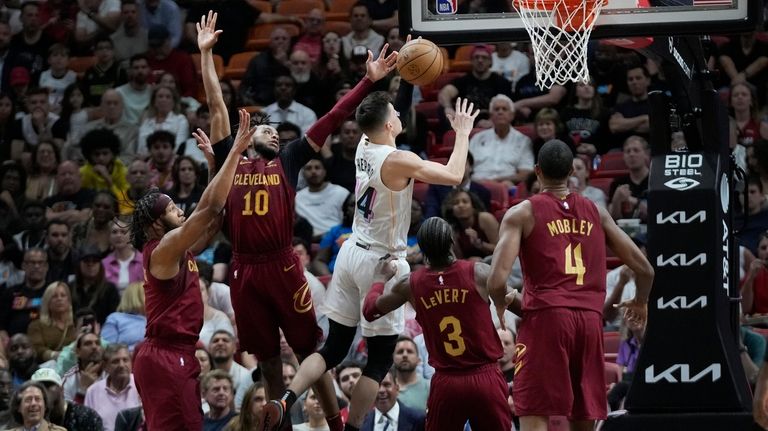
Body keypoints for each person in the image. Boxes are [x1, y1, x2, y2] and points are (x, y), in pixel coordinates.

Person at [199, 12, 395, 431]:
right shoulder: (228, 164)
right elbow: (216, 105)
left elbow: (331, 118)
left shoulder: (288, 161)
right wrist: (206, 55)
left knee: (311, 352)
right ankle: (279, 424)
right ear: (247, 137)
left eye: (280, 134)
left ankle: (333, 423)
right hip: (244, 268)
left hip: (283, 264)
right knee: (268, 359)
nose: (276, 135)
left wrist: (369, 82)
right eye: (267, 131)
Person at [262, 90, 479, 431]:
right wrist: (463, 132)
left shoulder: (364, 141)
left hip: (350, 252)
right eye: (394, 113)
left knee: (333, 346)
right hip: (382, 261)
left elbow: (387, 114)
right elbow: (453, 176)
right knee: (378, 362)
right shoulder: (398, 159)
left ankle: (285, 399)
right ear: (389, 124)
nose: (397, 115)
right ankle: (352, 428)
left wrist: (404, 80)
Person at [487, 139, 654, 431]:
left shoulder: (522, 213)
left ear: (537, 171)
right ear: (571, 173)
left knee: (535, 411)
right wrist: (640, 301)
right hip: (589, 321)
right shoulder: (596, 211)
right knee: (582, 415)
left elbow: (496, 282)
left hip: (547, 318)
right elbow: (645, 269)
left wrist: (520, 307)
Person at [128, 106, 256, 431]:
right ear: (157, 224)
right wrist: (234, 154)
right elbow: (209, 206)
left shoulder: (177, 248)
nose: (180, 210)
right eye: (172, 208)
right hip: (166, 354)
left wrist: (213, 166)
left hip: (174, 353)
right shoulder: (163, 249)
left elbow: (211, 221)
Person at [361, 216, 513, 430]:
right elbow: (522, 307)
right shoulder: (479, 272)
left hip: (447, 382)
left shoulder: (410, 284)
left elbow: (370, 311)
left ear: (421, 250)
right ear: (451, 242)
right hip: (485, 376)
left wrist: (379, 279)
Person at [84, 343, 141, 431]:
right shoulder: (92, 391)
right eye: (115, 361)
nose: (121, 365)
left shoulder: (141, 385)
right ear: (105, 366)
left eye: (125, 360)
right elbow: (88, 426)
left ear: (131, 362)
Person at [31, 367, 103, 431]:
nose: (43, 391)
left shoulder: (85, 416)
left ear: (61, 389)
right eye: (38, 387)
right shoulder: (31, 420)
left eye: (48, 386)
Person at [358, 369, 425, 431]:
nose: (381, 390)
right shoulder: (360, 424)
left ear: (397, 388)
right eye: (377, 386)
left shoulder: (418, 419)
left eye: (386, 384)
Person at [26, 281, 76, 363]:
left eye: (63, 295)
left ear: (68, 301)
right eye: (54, 296)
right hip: (48, 369)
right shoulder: (36, 325)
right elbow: (37, 349)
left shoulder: (76, 324)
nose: (59, 299)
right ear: (47, 302)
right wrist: (55, 355)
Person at [101, 282, 146, 352]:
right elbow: (107, 348)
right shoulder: (116, 318)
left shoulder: (156, 319)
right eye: (148, 294)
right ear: (136, 297)